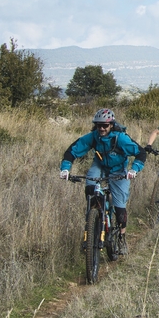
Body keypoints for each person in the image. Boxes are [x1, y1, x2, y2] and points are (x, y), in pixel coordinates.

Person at [59, 108, 146, 255]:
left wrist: (134, 170)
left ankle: (121, 238)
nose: (102, 128)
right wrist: (65, 169)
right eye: (99, 125)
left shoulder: (120, 138)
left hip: (118, 169)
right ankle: (93, 221)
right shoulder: (94, 137)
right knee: (90, 187)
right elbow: (72, 150)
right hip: (99, 166)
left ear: (111, 125)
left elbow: (140, 153)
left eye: (105, 125)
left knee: (120, 209)